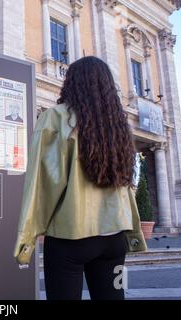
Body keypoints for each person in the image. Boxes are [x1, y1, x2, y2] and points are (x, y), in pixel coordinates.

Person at [13, 56, 147, 300]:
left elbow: (42, 183)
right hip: (115, 239)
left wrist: (26, 240)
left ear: (72, 83)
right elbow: (126, 183)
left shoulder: (55, 117)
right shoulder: (118, 124)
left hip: (70, 236)